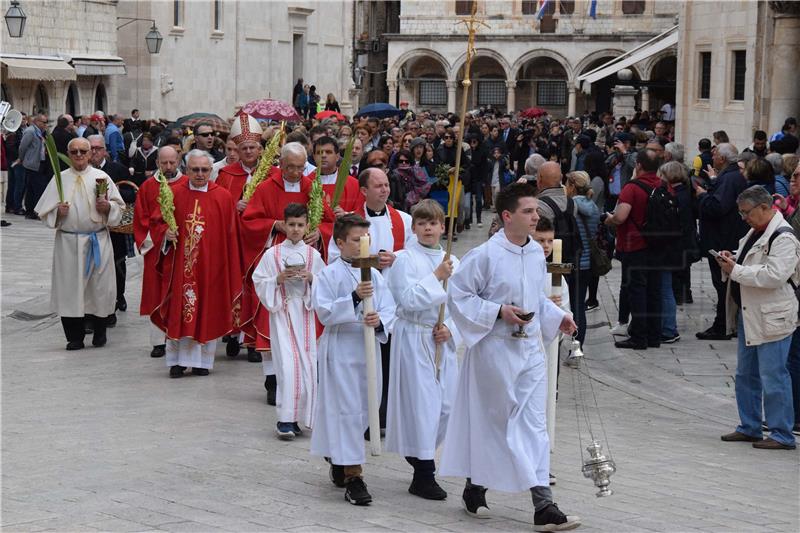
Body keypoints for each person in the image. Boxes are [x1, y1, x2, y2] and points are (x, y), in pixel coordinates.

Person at [439, 182, 580, 531]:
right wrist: (498, 311)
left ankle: (543, 506)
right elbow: (458, 297)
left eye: (536, 211)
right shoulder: (485, 255)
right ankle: (476, 485)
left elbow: (534, 297)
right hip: (495, 350)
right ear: (507, 216)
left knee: (532, 426)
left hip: (530, 350)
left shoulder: (535, 253)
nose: (536, 217)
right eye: (529, 211)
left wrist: (556, 316)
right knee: (495, 424)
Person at [310, 213, 397, 506]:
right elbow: (323, 311)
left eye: (367, 241)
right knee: (346, 410)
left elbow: (390, 307)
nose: (364, 246)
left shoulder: (375, 275)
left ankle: (340, 456)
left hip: (368, 347)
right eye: (358, 241)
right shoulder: (328, 274)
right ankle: (354, 476)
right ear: (340, 242)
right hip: (343, 348)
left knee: (364, 409)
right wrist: (355, 298)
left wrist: (380, 320)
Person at [384, 200, 459, 501]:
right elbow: (407, 301)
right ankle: (423, 473)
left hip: (440, 338)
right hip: (414, 335)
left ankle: (418, 452)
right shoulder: (404, 259)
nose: (428, 228)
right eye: (422, 223)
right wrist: (436, 277)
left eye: (434, 222)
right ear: (413, 228)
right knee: (425, 405)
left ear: (443, 226)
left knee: (447, 406)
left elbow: (460, 303)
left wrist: (450, 327)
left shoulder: (452, 259)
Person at [717, 185, 800, 450]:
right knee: (746, 374)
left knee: (773, 375)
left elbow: (774, 275)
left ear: (764, 208)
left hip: (773, 316)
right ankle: (750, 426)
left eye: (746, 212)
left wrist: (737, 270)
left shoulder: (784, 237)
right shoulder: (757, 230)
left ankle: (781, 433)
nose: (744, 218)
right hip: (751, 313)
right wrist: (732, 258)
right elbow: (751, 261)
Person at [240, 142, 325, 396]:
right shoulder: (267, 187)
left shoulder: (311, 187)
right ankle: (272, 380)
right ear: (280, 163)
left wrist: (320, 232)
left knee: (304, 324)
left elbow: (328, 221)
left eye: (300, 167)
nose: (296, 173)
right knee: (272, 320)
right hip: (274, 255)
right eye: (290, 167)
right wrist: (274, 224)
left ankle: (304, 379)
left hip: (306, 258)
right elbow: (249, 222)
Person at [150, 150, 242, 378]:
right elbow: (157, 222)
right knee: (179, 310)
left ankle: (203, 362)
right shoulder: (173, 193)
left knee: (207, 310)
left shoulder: (223, 197)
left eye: (204, 170)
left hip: (211, 267)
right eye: (195, 169)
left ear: (211, 171)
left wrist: (227, 266)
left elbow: (231, 234)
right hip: (180, 268)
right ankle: (177, 362)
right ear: (187, 170)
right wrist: (165, 234)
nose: (200, 174)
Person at [34, 137, 125, 350]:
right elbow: (43, 211)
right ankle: (74, 337)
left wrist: (107, 208)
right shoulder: (60, 178)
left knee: (99, 288)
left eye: (82, 151)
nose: (78, 155)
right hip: (68, 243)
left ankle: (100, 332)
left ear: (90, 153)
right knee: (70, 290)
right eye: (73, 151)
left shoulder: (101, 177)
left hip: (97, 240)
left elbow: (119, 207)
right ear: (69, 153)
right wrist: (58, 211)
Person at [252, 203, 324, 439]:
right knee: (287, 366)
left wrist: (312, 277)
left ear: (307, 227)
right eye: (291, 224)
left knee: (307, 366)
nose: (295, 229)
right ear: (284, 225)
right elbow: (259, 281)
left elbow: (325, 283)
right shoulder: (272, 254)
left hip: (305, 313)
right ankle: (285, 419)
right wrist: (278, 279)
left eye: (300, 225)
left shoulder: (314, 255)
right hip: (282, 313)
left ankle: (302, 419)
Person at [604, 149, 665, 349]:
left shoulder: (632, 188)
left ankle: (638, 337)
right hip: (656, 245)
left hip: (634, 245)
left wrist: (609, 219)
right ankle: (654, 335)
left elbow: (620, 217)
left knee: (636, 290)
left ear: (638, 165)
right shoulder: (662, 185)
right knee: (654, 291)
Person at [133, 146, 187, 358]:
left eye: (172, 163)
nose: (168, 167)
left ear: (178, 161)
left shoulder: (187, 184)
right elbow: (141, 221)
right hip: (158, 251)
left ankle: (179, 336)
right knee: (157, 293)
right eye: (164, 163)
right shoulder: (147, 187)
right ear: (157, 163)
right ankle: (158, 341)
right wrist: (163, 234)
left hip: (182, 250)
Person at [694, 143, 749, 340]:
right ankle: (726, 324)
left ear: (723, 159)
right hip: (725, 237)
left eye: (715, 154)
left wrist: (702, 196)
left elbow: (718, 207)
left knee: (723, 285)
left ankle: (723, 326)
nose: (712, 157)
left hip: (722, 241)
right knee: (724, 286)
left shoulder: (730, 178)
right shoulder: (730, 176)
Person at [87, 134, 133, 322]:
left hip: (115, 228)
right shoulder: (82, 172)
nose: (94, 152)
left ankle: (117, 296)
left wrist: (114, 191)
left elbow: (131, 193)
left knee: (116, 265)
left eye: (98, 148)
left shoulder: (117, 169)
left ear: (105, 150)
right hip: (91, 228)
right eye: (91, 148)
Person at [565, 171, 599, 346]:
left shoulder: (570, 207)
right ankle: (578, 347)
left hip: (573, 261)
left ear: (571, 186)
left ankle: (570, 343)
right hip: (587, 263)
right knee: (579, 305)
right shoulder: (593, 206)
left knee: (569, 305)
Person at [18, 113, 50, 219]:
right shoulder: (30, 131)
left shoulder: (41, 132)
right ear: (37, 122)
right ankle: (34, 211)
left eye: (47, 122)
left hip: (40, 163)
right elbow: (22, 147)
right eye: (44, 122)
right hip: (32, 164)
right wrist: (22, 159)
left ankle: (30, 211)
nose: (46, 124)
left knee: (32, 188)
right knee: (36, 188)